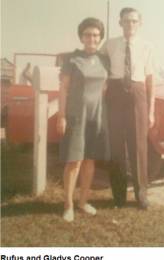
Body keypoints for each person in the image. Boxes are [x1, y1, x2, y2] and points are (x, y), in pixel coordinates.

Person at [101, 7, 155, 209]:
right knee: (116, 147)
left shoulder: (147, 46)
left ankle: (141, 195)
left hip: (138, 93)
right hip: (115, 94)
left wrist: (150, 110)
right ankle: (118, 197)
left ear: (139, 24)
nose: (129, 25)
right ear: (120, 23)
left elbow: (150, 79)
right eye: (126, 21)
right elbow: (99, 70)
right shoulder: (109, 45)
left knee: (138, 146)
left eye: (133, 21)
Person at [57, 18, 109, 222]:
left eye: (96, 35)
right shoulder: (71, 59)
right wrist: (61, 116)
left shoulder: (104, 60)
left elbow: (105, 88)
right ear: (81, 36)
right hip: (76, 115)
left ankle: (83, 201)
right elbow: (63, 89)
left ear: (100, 38)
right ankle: (68, 205)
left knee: (89, 160)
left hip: (96, 116)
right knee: (74, 161)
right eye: (88, 34)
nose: (92, 38)